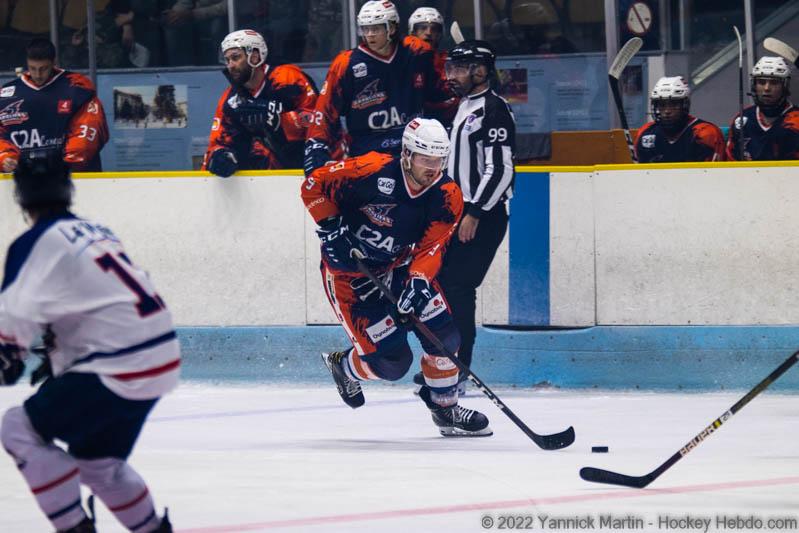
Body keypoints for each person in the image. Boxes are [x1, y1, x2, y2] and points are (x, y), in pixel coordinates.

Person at [0, 150, 179, 532]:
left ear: (20, 196)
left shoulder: (34, 242)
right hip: (161, 355)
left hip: (118, 363)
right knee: (99, 464)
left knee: (17, 428)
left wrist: (8, 355)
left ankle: (74, 528)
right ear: (69, 189)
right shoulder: (97, 231)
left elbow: (13, 320)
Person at [301, 118, 492, 437]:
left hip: (399, 267)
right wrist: (330, 227)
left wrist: (418, 280)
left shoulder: (447, 195)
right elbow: (313, 186)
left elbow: (433, 247)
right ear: (407, 154)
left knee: (445, 337)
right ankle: (344, 365)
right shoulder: (370, 169)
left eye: (439, 160)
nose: (433, 168)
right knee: (391, 363)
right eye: (426, 159)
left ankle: (445, 409)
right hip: (351, 278)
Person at [413, 40, 515, 395]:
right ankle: (444, 363)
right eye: (450, 68)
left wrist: (474, 213)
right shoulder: (463, 107)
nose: (451, 75)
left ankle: (458, 368)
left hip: (481, 217)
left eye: (458, 68)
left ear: (481, 71)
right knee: (441, 287)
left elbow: (500, 169)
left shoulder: (494, 109)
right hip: (456, 215)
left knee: (457, 288)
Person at [303, 0, 453, 176]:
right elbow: (325, 110)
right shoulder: (346, 64)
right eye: (365, 29)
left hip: (414, 148)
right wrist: (316, 143)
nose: (370, 35)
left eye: (376, 28)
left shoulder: (417, 51)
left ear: (392, 27)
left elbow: (442, 91)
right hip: (367, 153)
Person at [203, 29, 319, 177]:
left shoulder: (287, 79)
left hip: (312, 167)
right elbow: (218, 141)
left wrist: (281, 120)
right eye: (227, 60)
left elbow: (320, 120)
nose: (230, 65)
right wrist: (220, 155)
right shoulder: (231, 100)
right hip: (267, 177)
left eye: (235, 57)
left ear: (255, 57)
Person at [0, 38, 109, 173]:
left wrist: (68, 163)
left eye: (43, 68)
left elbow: (90, 126)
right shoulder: (7, 94)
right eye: (33, 68)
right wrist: (4, 157)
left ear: (54, 63)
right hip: (25, 177)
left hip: (73, 177)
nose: (38, 75)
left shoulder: (76, 86)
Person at [634, 76, 725, 163]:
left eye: (673, 104)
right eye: (662, 105)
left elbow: (712, 172)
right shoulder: (646, 132)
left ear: (685, 105)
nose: (667, 111)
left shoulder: (704, 133)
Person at [726, 56, 799, 161]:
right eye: (761, 82)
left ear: (785, 86)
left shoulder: (796, 120)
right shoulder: (742, 119)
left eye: (774, 83)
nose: (766, 88)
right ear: (754, 85)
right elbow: (731, 163)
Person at [408, 6, 458, 127]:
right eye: (423, 28)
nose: (428, 33)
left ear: (440, 34)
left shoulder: (447, 60)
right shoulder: (403, 58)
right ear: (413, 32)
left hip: (445, 123)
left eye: (434, 29)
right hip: (415, 123)